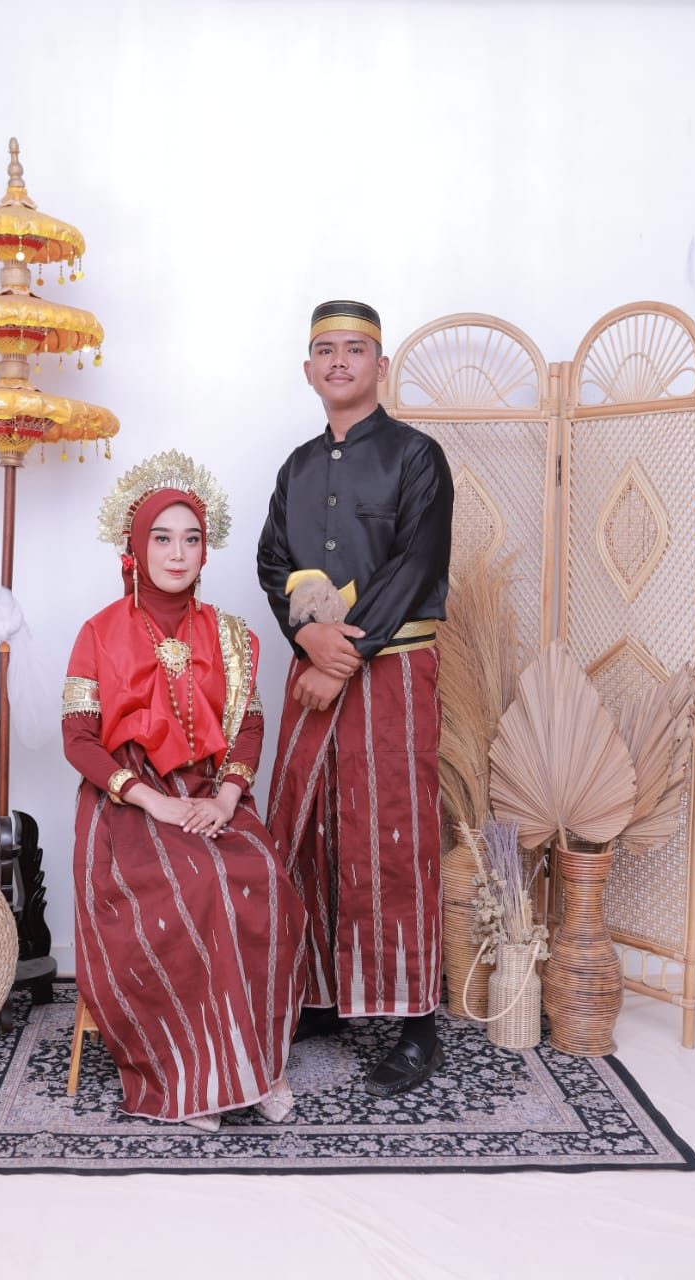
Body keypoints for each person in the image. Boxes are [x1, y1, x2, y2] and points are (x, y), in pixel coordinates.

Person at [63, 449, 307, 1132]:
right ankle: (190, 1075)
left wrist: (225, 799)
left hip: (208, 791)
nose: (177, 554)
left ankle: (257, 1065)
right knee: (195, 885)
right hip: (127, 804)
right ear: (136, 548)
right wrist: (154, 800)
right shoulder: (99, 632)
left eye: (191, 539)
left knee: (262, 877)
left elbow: (249, 726)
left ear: (206, 549)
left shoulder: (229, 635)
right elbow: (79, 739)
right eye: (162, 538)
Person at [257, 300, 453, 1098]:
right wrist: (306, 636)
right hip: (313, 667)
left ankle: (416, 1022)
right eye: (324, 350)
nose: (338, 361)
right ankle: (319, 997)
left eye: (355, 349)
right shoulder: (296, 468)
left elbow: (416, 563)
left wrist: (342, 659)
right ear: (308, 369)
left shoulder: (417, 456)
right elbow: (273, 561)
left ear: (380, 365)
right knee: (306, 829)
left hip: (392, 675)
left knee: (393, 837)